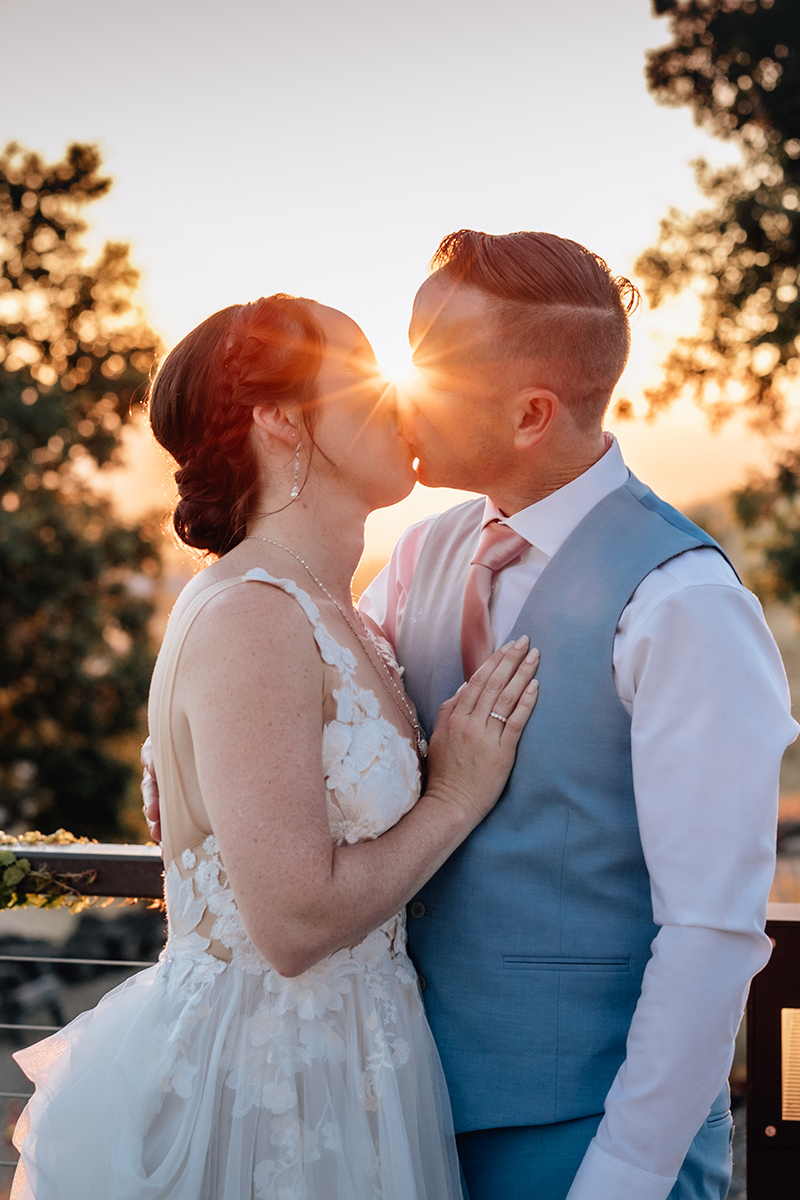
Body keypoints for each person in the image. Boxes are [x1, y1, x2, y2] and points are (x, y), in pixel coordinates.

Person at [10, 293, 540, 1200]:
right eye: (363, 378)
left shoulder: (349, 617)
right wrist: (453, 799)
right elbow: (293, 925)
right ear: (283, 421)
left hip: (366, 1064)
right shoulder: (253, 614)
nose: (399, 399)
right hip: (263, 1095)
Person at [355, 228, 799, 1200]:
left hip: (589, 1147)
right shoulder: (419, 553)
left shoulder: (683, 604)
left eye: (430, 359)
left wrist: (625, 1175)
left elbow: (707, 933)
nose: (395, 387)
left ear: (529, 413)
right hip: (402, 1131)